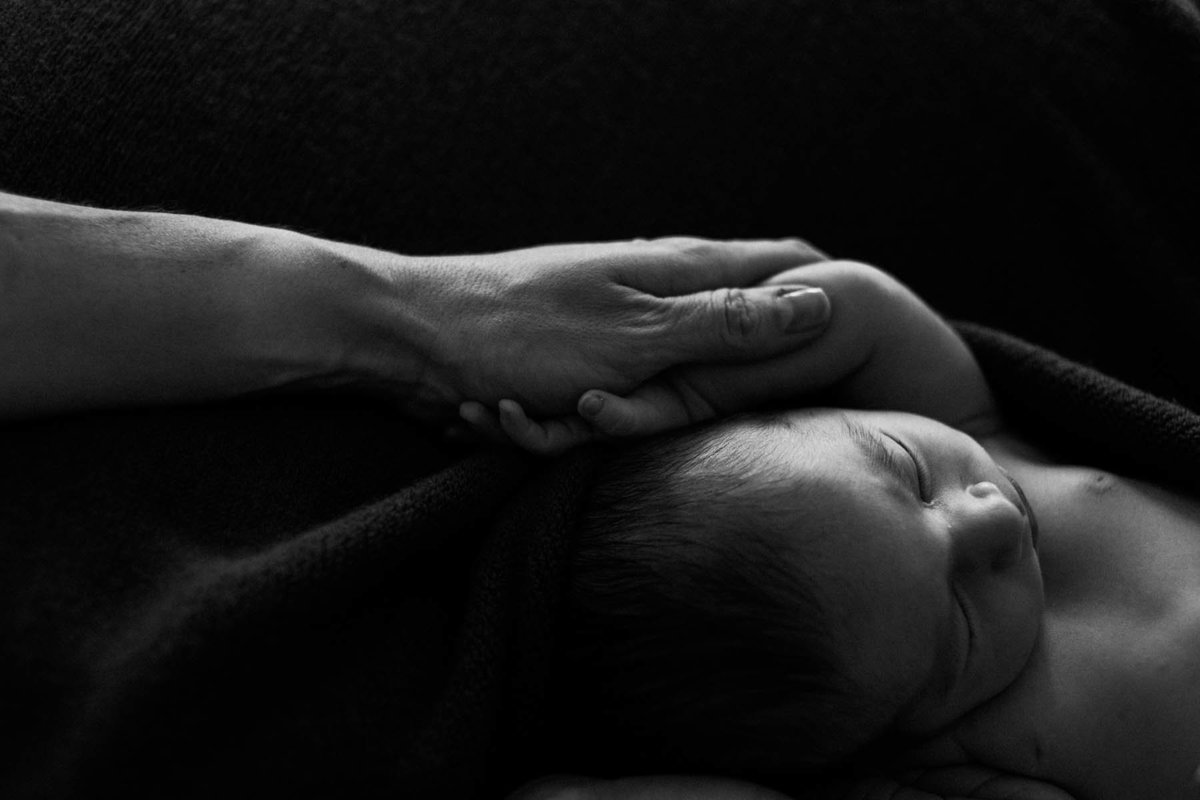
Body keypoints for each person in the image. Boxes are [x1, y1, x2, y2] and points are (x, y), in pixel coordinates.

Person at [488, 260, 1200, 800]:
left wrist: (697, 384)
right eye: (961, 626)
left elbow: (863, 314)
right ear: (895, 728)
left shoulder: (980, 432)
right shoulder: (948, 756)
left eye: (911, 471)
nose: (992, 519)